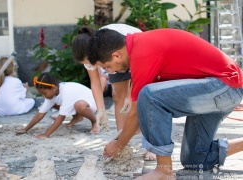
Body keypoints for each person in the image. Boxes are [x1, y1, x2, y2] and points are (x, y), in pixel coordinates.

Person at [88, 28, 243, 179]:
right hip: (216, 90)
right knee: (195, 160)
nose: (110, 72)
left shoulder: (142, 52)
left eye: (107, 67)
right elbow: (142, 113)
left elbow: (138, 110)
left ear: (116, 55)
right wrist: (124, 136)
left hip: (224, 87)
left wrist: (118, 145)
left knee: (149, 96)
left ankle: (164, 171)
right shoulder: (139, 46)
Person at [72, 24, 156, 161]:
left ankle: (151, 146)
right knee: (118, 97)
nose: (92, 66)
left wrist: (131, 96)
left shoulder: (112, 41)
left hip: (137, 54)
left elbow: (137, 77)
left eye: (93, 63)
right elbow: (95, 82)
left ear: (95, 53)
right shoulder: (88, 55)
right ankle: (121, 144)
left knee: (141, 99)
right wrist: (100, 110)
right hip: (114, 59)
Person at [16, 72, 99, 138]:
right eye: (41, 94)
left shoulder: (66, 92)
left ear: (53, 88)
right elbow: (40, 114)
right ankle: (77, 117)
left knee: (79, 105)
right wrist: (25, 129)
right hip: (78, 102)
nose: (43, 96)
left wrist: (46, 134)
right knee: (54, 104)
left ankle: (94, 122)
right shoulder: (52, 94)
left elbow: (61, 117)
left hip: (91, 102)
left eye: (44, 93)